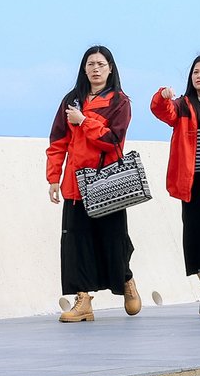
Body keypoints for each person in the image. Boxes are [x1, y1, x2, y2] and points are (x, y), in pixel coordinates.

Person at [46, 46, 139, 323]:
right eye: (90, 64)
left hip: (107, 182)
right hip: (75, 185)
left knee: (114, 240)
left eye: (101, 64)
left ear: (110, 68)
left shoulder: (119, 101)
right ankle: (83, 300)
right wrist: (53, 177)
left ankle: (126, 280)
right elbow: (58, 141)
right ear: (84, 69)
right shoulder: (71, 100)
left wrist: (84, 121)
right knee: (75, 243)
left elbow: (113, 140)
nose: (95, 69)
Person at [150, 53, 200, 319]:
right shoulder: (183, 105)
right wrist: (162, 96)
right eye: (196, 72)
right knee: (194, 239)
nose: (199, 76)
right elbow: (162, 111)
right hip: (192, 182)